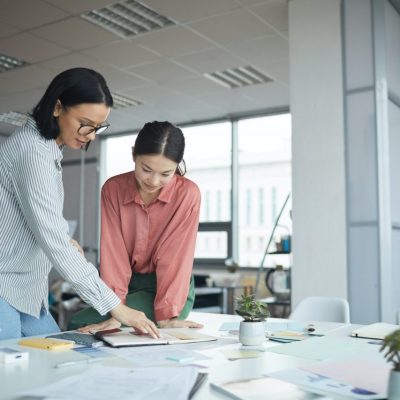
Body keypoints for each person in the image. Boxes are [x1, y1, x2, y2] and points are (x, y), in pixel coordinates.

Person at [0, 68, 159, 340]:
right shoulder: (33, 153)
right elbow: (53, 242)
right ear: (57, 107)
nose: (91, 135)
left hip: (24, 287)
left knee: (60, 360)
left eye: (98, 127)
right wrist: (116, 308)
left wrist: (60, 235)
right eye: (86, 123)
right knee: (14, 375)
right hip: (4, 284)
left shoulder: (47, 149)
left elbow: (35, 216)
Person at [69, 121, 203, 332]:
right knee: (82, 323)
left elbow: (175, 258)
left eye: (166, 174)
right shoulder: (113, 189)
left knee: (88, 324)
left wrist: (167, 315)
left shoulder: (187, 194)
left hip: (168, 288)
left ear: (176, 167)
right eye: (146, 169)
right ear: (134, 155)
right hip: (127, 283)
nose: (153, 180)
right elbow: (114, 253)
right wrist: (117, 308)